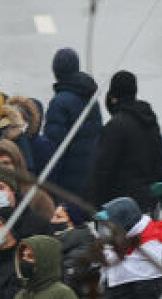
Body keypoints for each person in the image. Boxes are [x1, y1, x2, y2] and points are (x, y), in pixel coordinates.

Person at [88, 71, 162, 211]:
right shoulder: (150, 124)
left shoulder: (115, 126)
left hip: (120, 206)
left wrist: (93, 206)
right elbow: (161, 165)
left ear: (114, 96)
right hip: (148, 204)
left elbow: (102, 171)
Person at [44, 49, 101, 206]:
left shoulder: (59, 102)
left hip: (67, 182)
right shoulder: (91, 98)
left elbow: (55, 148)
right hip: (90, 177)